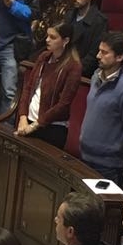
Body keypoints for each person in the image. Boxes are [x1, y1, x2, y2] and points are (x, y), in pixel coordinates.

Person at [79, 32, 123, 183]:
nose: (98, 56)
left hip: (107, 166)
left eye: (104, 52)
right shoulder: (95, 76)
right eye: (99, 50)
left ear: (120, 57)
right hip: (84, 156)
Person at [14, 21, 82, 150]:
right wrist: (22, 117)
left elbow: (63, 104)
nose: (47, 40)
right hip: (28, 120)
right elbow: (28, 88)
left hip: (52, 128)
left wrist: (34, 126)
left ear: (65, 40)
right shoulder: (44, 57)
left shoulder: (73, 66)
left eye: (53, 37)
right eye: (47, 36)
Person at [68, 0, 105, 75]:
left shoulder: (99, 21)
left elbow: (93, 55)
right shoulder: (69, 15)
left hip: (81, 73)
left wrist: (74, 71)